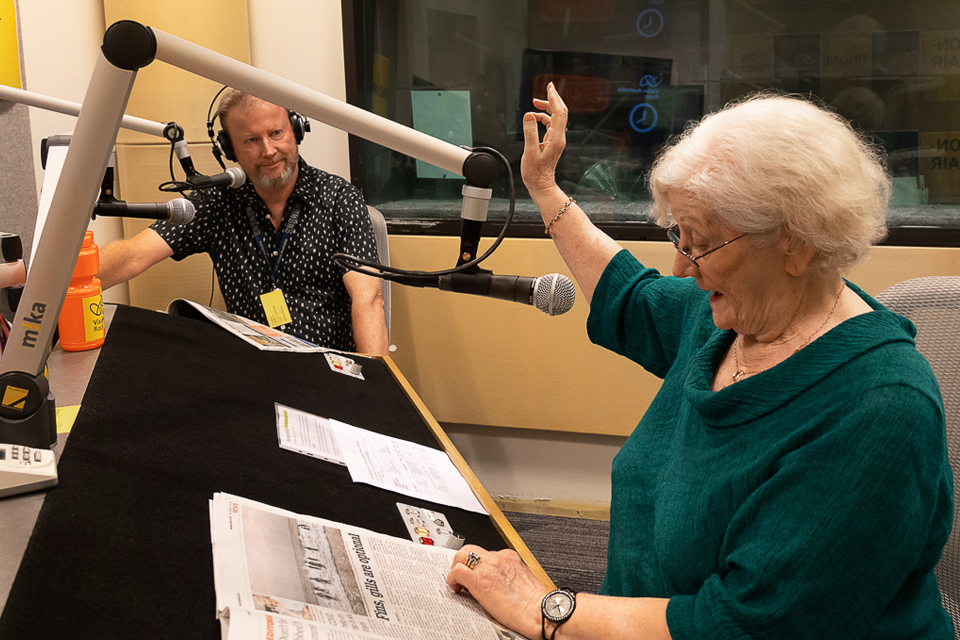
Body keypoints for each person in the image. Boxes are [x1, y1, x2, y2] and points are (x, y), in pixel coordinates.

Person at [446, 83, 955, 639]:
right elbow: (629, 294)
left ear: (796, 241)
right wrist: (544, 189)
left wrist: (542, 608)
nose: (683, 268)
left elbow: (745, 627)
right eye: (678, 236)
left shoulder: (880, 410)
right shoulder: (729, 319)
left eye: (700, 243)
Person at [98, 91, 389, 355]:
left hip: (327, 370)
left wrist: (372, 390)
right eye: (251, 140)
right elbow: (134, 255)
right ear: (229, 149)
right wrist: (62, 283)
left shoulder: (339, 198)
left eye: (276, 133)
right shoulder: (217, 201)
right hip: (253, 370)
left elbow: (368, 299)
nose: (268, 150)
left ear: (296, 131)